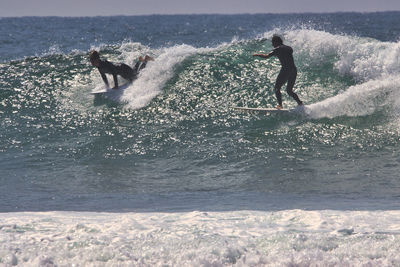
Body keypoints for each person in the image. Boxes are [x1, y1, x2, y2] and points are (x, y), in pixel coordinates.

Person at [253, 35, 303, 109]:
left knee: (277, 88)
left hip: (286, 70)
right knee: (289, 91)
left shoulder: (277, 49)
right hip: (293, 69)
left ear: (276, 42)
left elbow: (266, 56)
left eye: (273, 43)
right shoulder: (289, 48)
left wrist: (258, 54)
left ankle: (280, 105)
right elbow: (285, 54)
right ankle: (300, 103)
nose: (272, 45)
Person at [89, 50, 153, 89]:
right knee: (134, 72)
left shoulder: (104, 64)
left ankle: (146, 60)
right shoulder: (99, 66)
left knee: (136, 77)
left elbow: (114, 73)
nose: (91, 63)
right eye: (91, 61)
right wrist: (107, 86)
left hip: (123, 68)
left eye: (92, 61)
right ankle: (139, 61)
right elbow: (104, 76)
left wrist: (116, 86)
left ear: (97, 59)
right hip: (122, 71)